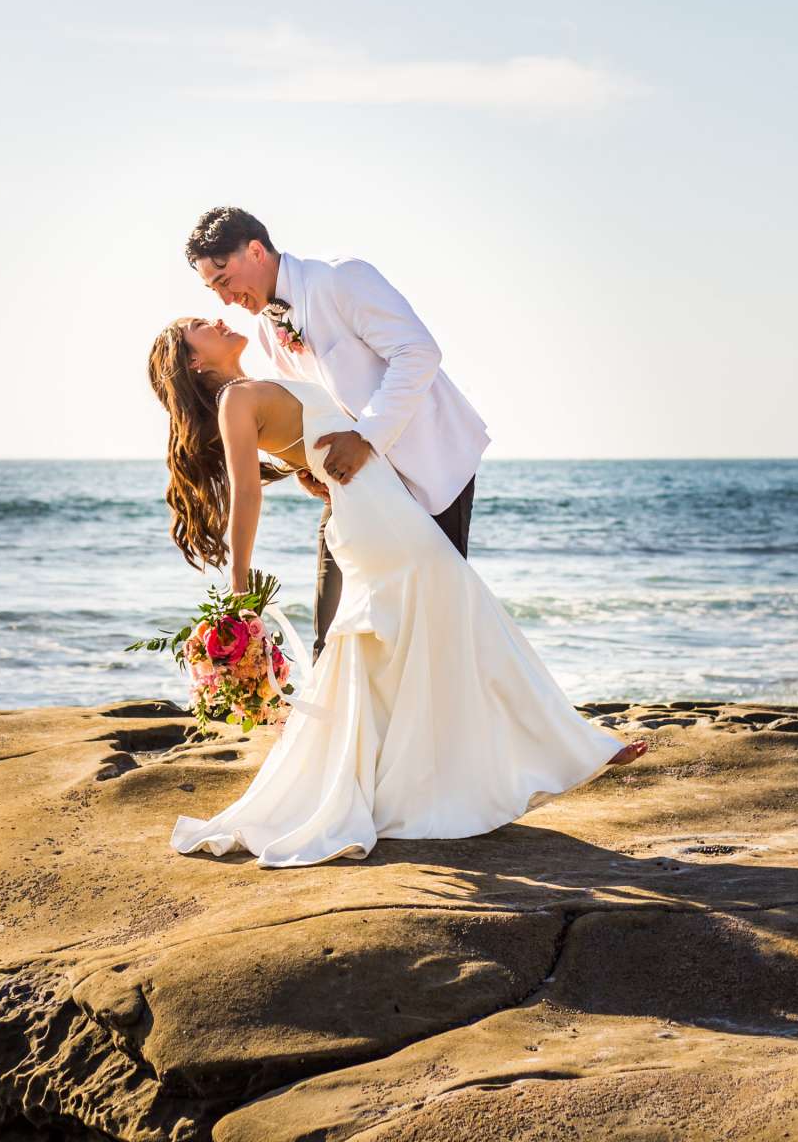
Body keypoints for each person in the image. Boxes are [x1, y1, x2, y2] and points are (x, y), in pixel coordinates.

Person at [146, 316, 646, 868]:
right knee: (457, 618)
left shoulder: (256, 385)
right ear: (194, 361)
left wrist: (311, 471)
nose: (215, 319)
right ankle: (571, 747)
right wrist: (240, 587)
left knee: (401, 642)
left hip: (377, 511)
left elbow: (311, 445)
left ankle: (403, 782)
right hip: (378, 523)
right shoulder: (236, 398)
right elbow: (244, 494)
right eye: (198, 326)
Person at [184, 205, 486, 655]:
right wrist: (309, 468)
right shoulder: (269, 334)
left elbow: (418, 352)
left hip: (433, 464)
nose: (226, 300)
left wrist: (365, 436)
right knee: (345, 626)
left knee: (434, 617)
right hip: (362, 490)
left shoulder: (340, 278)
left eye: (225, 281)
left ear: (254, 251)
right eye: (214, 290)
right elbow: (322, 410)